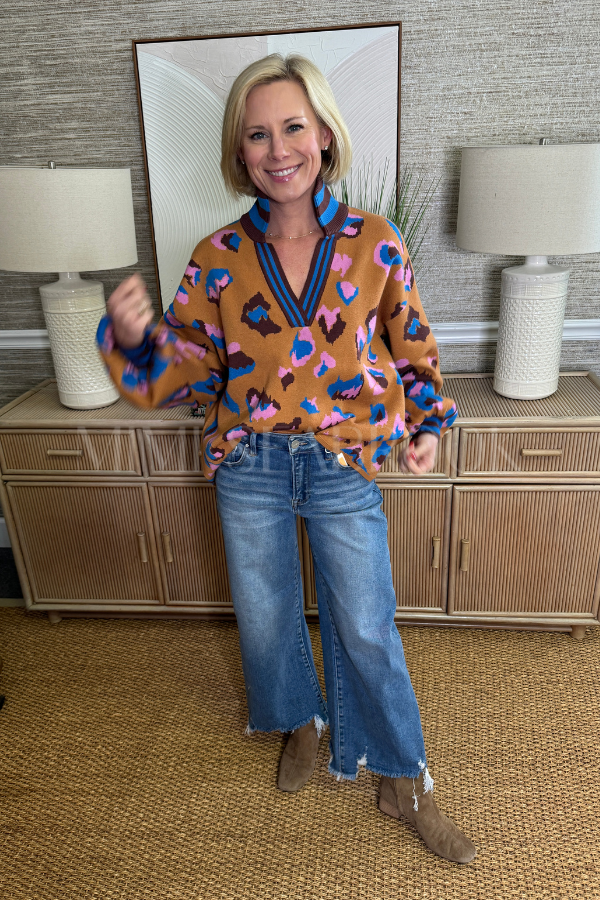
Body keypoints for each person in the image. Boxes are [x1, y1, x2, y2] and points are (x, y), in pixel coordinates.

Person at [97, 54, 476, 864]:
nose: (278, 149)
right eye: (258, 134)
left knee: (367, 623)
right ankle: (299, 721)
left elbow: (412, 344)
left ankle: (403, 777)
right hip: (251, 464)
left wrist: (428, 422)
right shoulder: (218, 256)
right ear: (239, 151)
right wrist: (135, 340)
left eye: (293, 127)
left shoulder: (374, 243)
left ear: (324, 135)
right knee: (266, 616)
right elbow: (191, 370)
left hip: (341, 463)